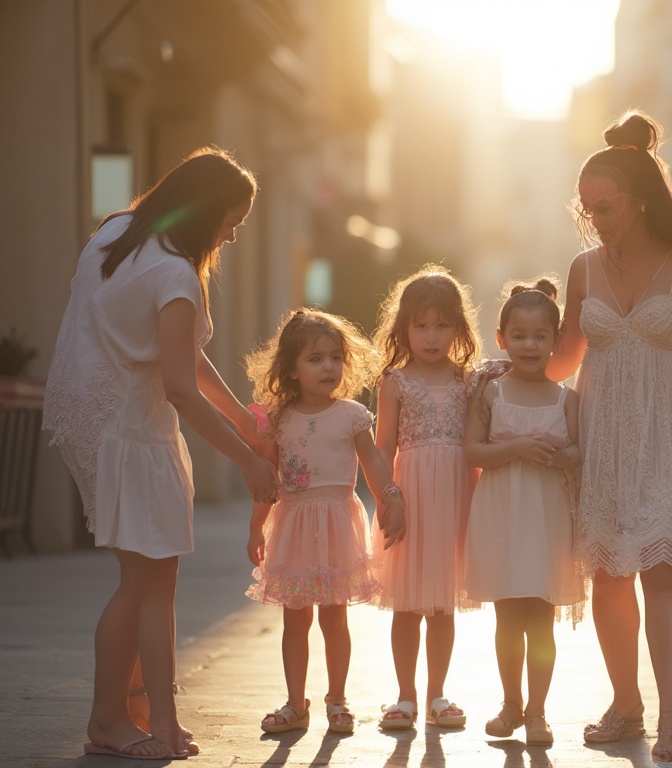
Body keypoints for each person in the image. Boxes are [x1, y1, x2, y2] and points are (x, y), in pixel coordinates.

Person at [42, 147, 279, 760]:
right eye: (234, 218)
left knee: (147, 575)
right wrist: (248, 459)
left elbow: (181, 359)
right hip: (129, 429)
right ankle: (117, 722)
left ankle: (138, 711)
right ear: (205, 213)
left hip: (93, 419)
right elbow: (177, 385)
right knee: (148, 581)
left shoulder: (118, 234)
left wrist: (245, 419)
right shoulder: (176, 275)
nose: (235, 231)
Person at [548, 111, 672, 763]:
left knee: (659, 571)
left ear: (640, 199)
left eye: (606, 204)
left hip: (671, 438)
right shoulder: (581, 269)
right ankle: (627, 704)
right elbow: (563, 360)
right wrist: (498, 378)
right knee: (607, 575)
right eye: (588, 205)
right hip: (601, 441)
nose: (594, 215)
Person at [245, 308, 406, 735]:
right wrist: (254, 527)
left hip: (337, 523)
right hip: (293, 524)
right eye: (315, 359)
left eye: (335, 357)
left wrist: (391, 497)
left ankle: (338, 700)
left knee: (335, 618)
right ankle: (296, 704)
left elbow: (372, 462)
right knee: (295, 618)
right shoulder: (278, 420)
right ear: (291, 369)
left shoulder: (352, 414)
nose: (328, 367)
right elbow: (267, 478)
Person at [463, 279, 585, 747]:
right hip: (501, 516)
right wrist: (515, 446)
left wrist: (559, 455)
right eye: (519, 335)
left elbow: (578, 456)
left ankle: (538, 711)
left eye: (540, 336)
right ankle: (510, 703)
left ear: (557, 340)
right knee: (507, 617)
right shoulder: (491, 393)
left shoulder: (566, 399)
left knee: (541, 617)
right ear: (501, 338)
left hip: (545, 518)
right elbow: (473, 452)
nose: (529, 345)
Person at [370, 266, 483, 730]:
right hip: (411, 499)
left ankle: (438, 694)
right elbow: (381, 449)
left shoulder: (469, 381)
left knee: (442, 603)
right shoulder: (395, 381)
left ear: (458, 328)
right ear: (404, 329)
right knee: (407, 603)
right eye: (421, 325)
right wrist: (387, 497)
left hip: (456, 498)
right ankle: (405, 696)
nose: (431, 336)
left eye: (442, 325)